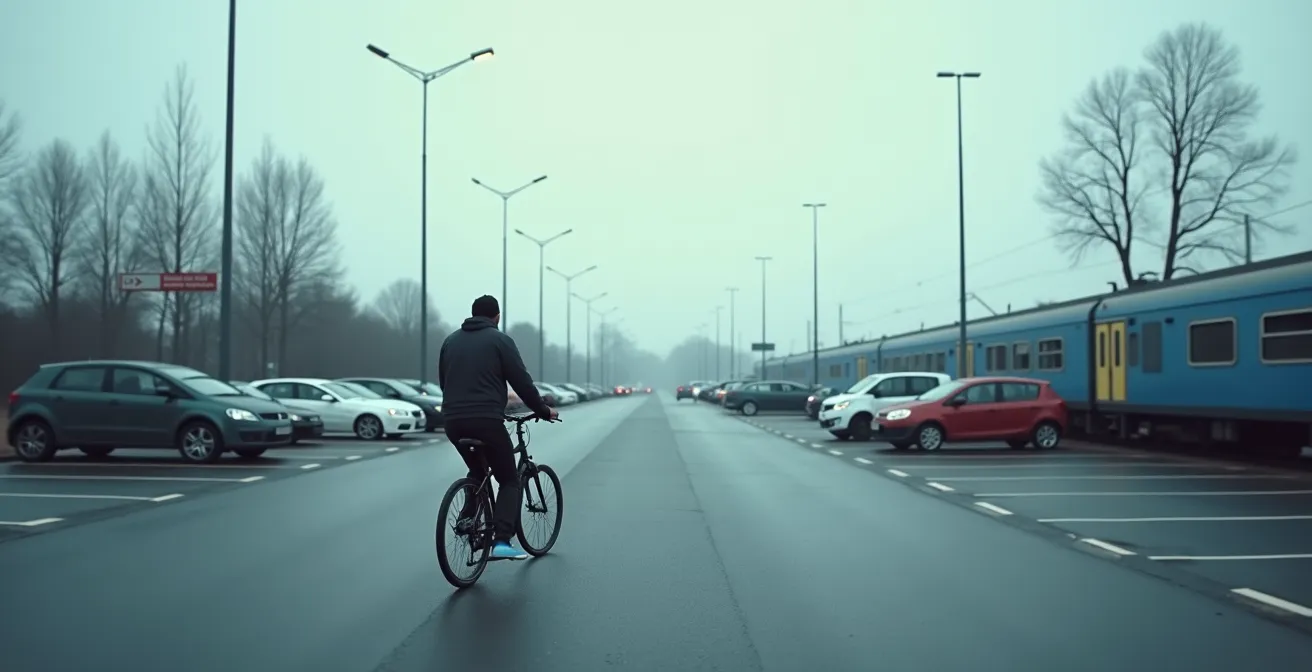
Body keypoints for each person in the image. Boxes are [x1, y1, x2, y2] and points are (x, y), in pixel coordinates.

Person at [438, 294, 557, 561]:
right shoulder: (501, 341)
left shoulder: (450, 341)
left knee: (478, 470)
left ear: (471, 315)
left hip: (453, 421)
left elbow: (445, 383)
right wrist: (543, 410)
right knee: (508, 479)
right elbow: (522, 382)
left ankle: (467, 518)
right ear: (497, 317)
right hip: (486, 420)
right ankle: (501, 540)